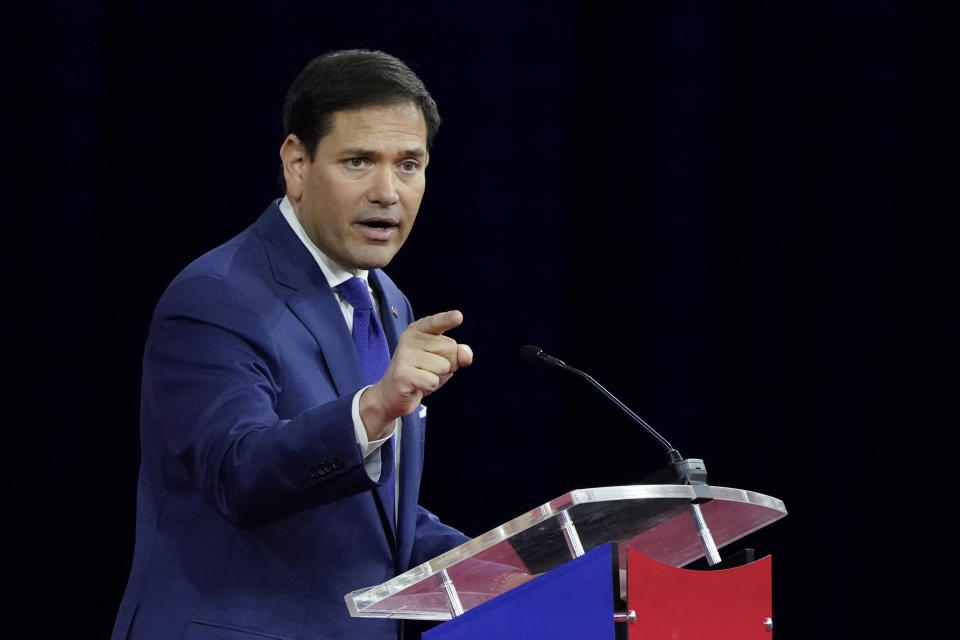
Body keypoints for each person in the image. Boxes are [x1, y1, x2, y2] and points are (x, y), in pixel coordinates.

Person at [111, 49, 473, 640]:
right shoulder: (215, 296)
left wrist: (511, 563)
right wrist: (376, 407)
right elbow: (239, 472)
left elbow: (371, 520)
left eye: (409, 164)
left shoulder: (387, 301)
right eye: (359, 162)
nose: (388, 191)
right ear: (297, 163)